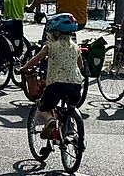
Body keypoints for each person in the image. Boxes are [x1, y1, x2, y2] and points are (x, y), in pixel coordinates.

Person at [20, 13, 83, 141]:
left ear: (55, 32)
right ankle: (69, 128)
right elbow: (80, 65)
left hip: (56, 85)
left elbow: (36, 60)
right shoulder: (76, 47)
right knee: (70, 109)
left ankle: (50, 120)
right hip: (76, 86)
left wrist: (24, 68)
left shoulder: (50, 46)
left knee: (44, 107)